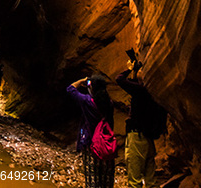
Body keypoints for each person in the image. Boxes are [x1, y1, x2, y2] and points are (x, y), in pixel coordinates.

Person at [116, 54, 167, 188]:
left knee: (134, 180)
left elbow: (120, 80)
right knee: (151, 181)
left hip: (137, 139)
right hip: (149, 140)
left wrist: (129, 68)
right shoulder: (156, 94)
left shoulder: (141, 91)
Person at [67, 74, 116, 188]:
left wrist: (82, 81)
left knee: (92, 179)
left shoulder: (87, 101)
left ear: (92, 88)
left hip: (91, 145)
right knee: (106, 180)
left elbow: (70, 89)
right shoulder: (110, 103)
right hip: (106, 146)